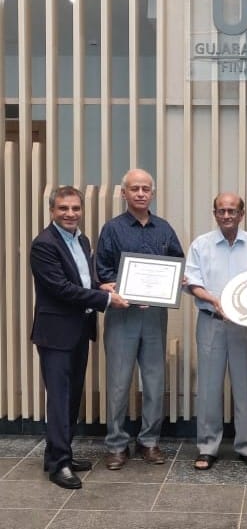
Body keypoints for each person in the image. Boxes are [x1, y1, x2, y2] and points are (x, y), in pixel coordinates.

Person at [30, 186, 129, 489]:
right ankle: (59, 465)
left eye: (75, 208)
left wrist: (102, 287)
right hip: (56, 334)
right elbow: (61, 288)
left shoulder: (82, 240)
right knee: (59, 400)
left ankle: (60, 455)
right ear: (52, 211)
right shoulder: (44, 244)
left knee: (72, 398)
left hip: (79, 330)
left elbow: (84, 280)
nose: (70, 213)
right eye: (63, 208)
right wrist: (107, 300)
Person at [96, 168, 184, 470]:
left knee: (154, 380)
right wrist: (123, 291)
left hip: (155, 315)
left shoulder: (164, 229)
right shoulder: (112, 229)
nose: (141, 193)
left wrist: (171, 283)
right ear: (124, 193)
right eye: (135, 188)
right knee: (119, 382)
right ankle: (116, 444)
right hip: (122, 313)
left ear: (153, 193)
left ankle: (149, 441)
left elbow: (177, 264)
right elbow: (102, 272)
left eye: (146, 188)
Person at [184, 192, 247, 470]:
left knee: (245, 386)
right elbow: (192, 282)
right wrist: (213, 300)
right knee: (208, 387)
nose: (226, 215)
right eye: (221, 210)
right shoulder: (201, 244)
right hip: (211, 320)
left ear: (241, 214)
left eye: (232, 211)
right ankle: (207, 447)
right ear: (215, 214)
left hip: (245, 324)